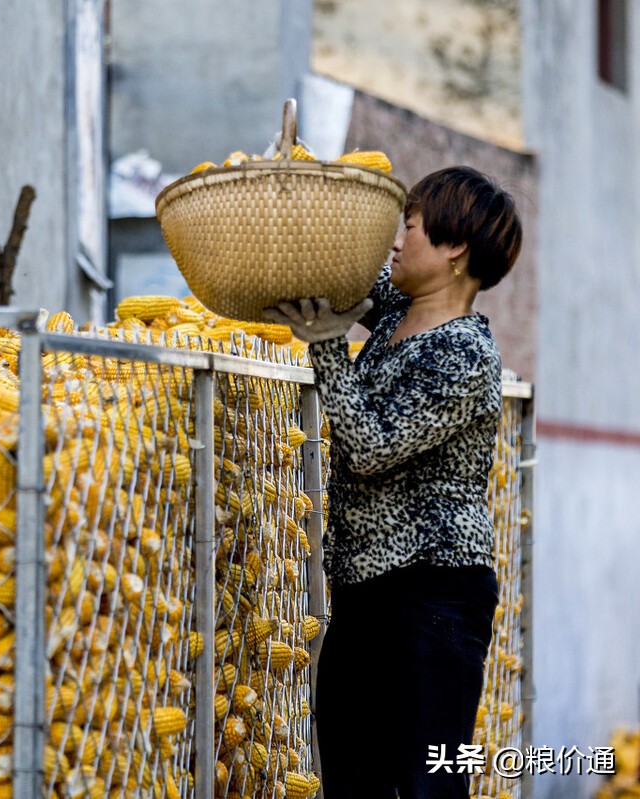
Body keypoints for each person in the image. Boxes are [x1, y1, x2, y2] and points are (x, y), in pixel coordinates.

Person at [263, 166, 524, 798]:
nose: (396, 242)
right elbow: (339, 278)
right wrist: (291, 189)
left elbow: (371, 448)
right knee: (354, 783)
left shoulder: (464, 354)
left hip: (434, 600)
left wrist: (326, 344)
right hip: (365, 596)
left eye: (408, 227)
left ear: (454, 249)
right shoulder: (398, 310)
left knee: (429, 787)